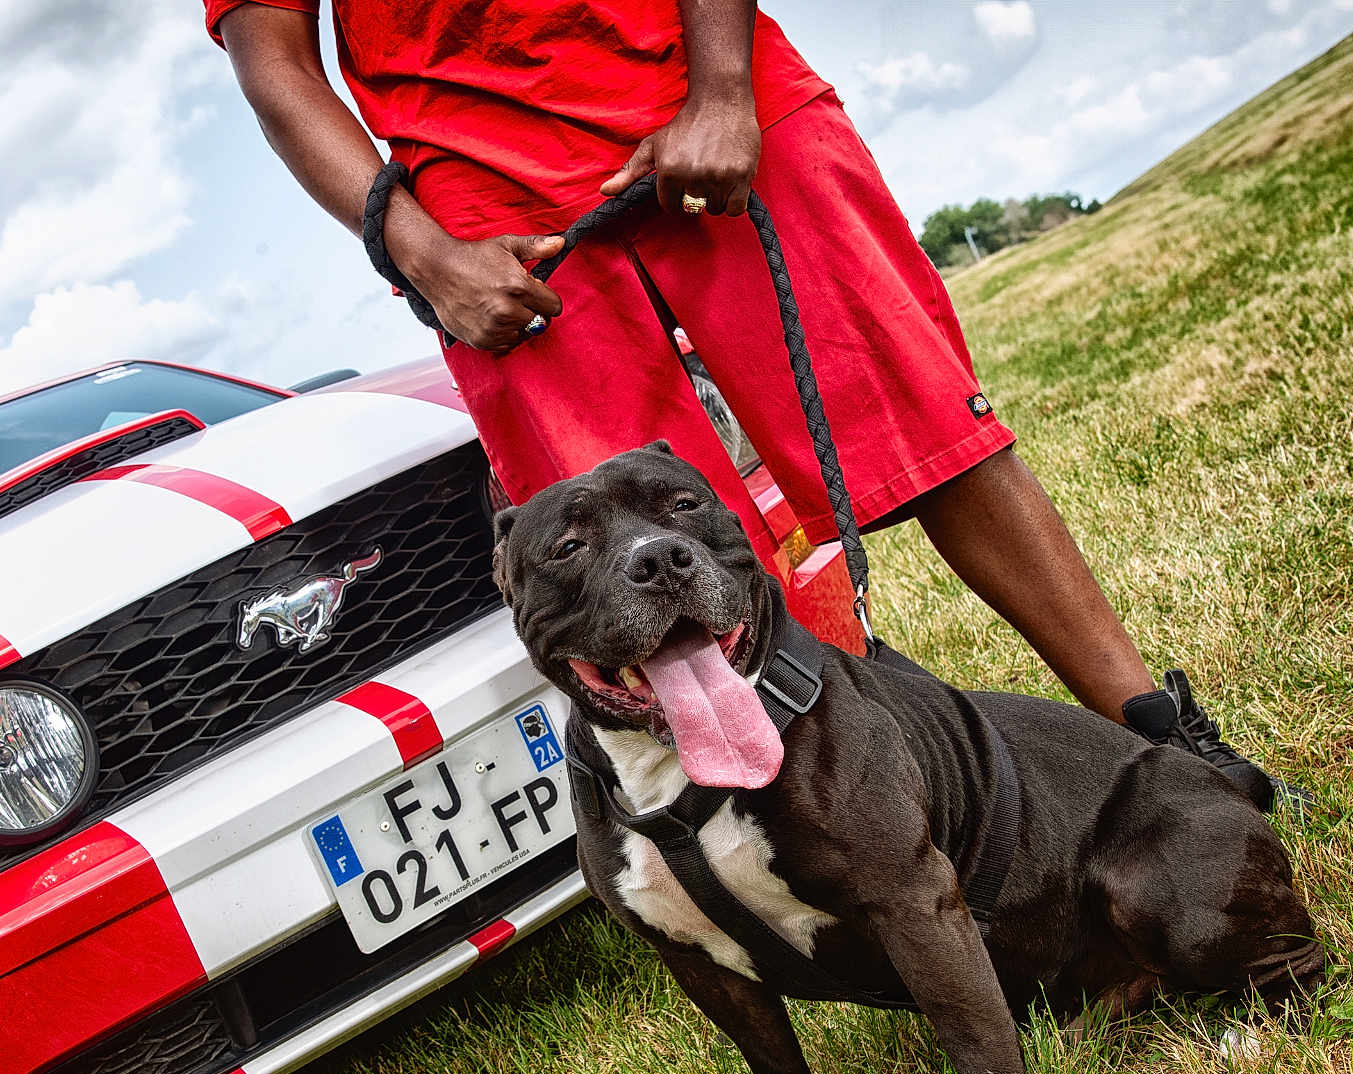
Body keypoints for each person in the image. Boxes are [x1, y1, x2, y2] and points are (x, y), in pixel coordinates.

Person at [208, 0, 1293, 811]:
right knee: (650, 579)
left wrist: (724, 90)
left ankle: (1166, 740)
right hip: (488, 215)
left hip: (716, 92)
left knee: (933, 437)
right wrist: (424, 256)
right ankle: (870, 853)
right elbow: (275, 59)